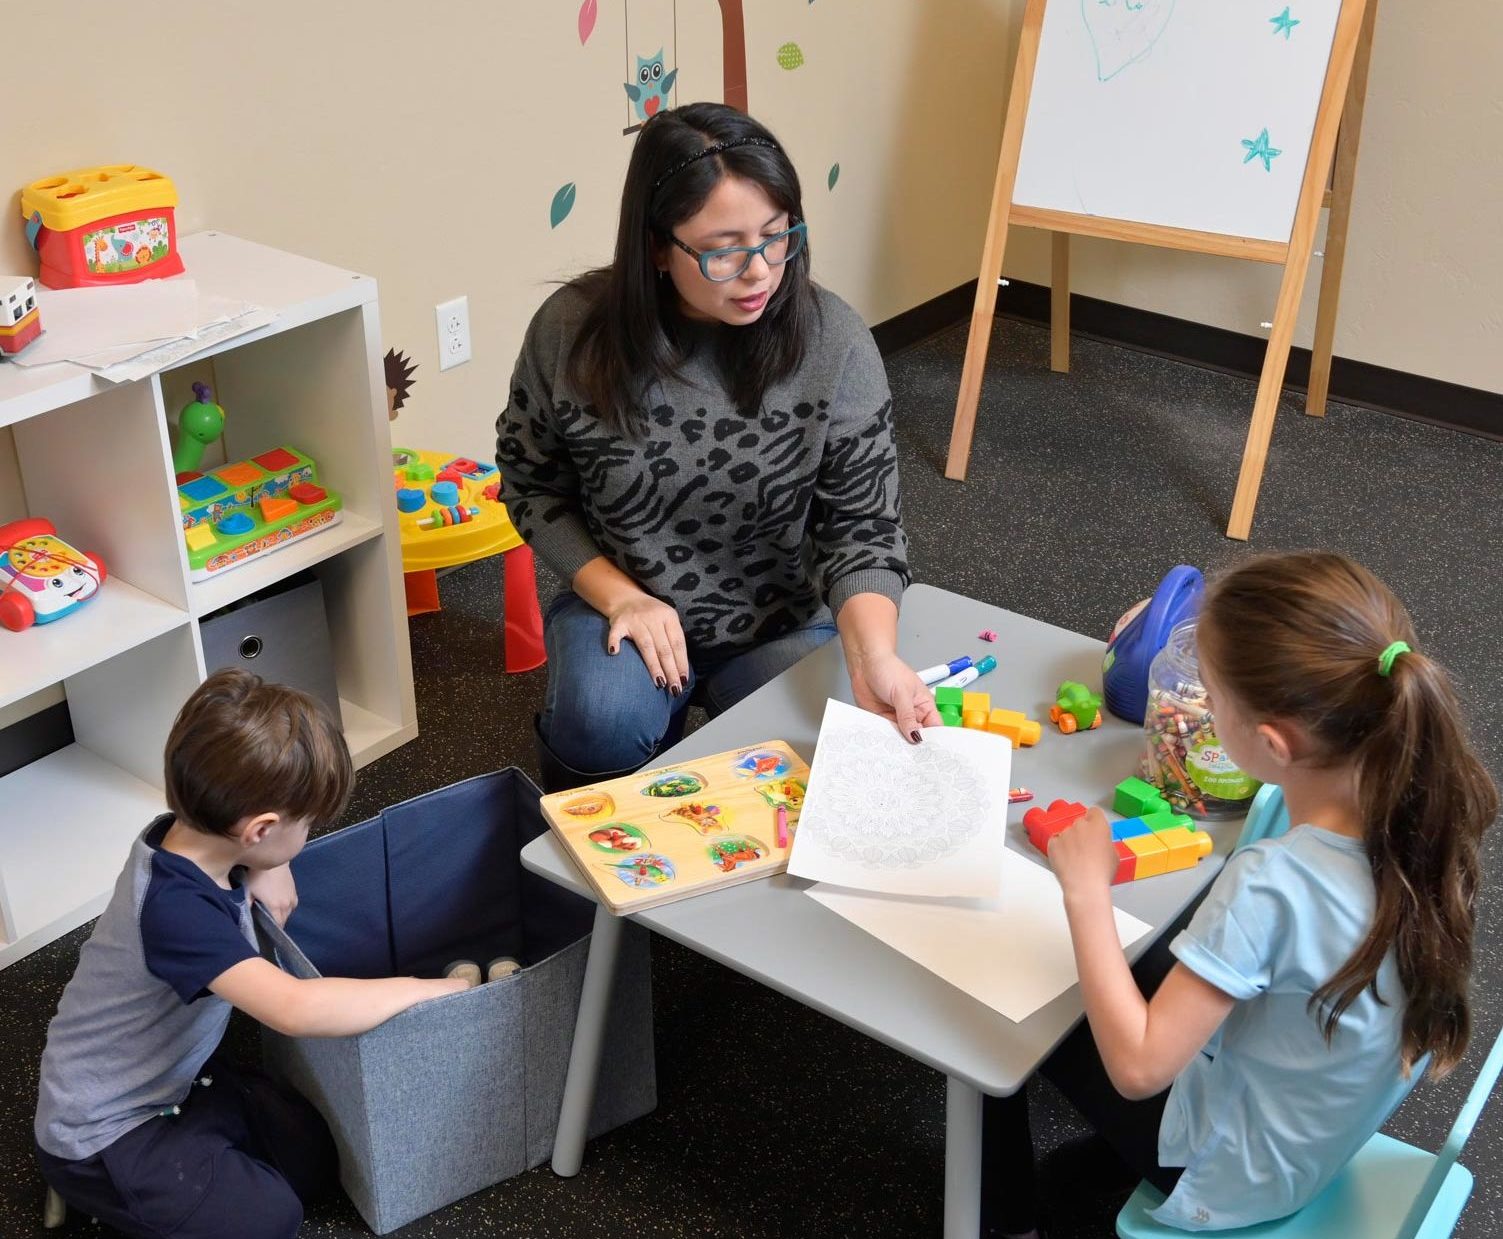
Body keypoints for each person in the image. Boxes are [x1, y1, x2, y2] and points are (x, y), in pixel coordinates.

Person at [985, 552, 1498, 1236]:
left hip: (1235, 1174)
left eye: (1210, 700)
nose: (1194, 711)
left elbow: (1138, 1067)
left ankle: (1001, 1217)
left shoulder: (1273, 883)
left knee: (1005, 1006)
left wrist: (1083, 891)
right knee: (1141, 955)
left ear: (1269, 743)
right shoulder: (1418, 802)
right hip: (1315, 1131)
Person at [496, 102, 937, 789]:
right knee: (598, 724)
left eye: (775, 235)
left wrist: (873, 654)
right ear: (656, 248)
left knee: (818, 766)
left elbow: (862, 528)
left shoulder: (836, 342)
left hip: (781, 618)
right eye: (724, 248)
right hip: (624, 598)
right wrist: (619, 596)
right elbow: (530, 483)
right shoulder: (570, 331)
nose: (760, 270)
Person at [34, 670, 469, 1239]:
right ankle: (92, 1193)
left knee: (311, 1161)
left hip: (176, 1082)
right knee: (271, 1218)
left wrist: (271, 861)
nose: (310, 832)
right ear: (258, 828)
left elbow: (251, 836)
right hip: (106, 1133)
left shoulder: (190, 833)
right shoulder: (176, 913)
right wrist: (427, 989)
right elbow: (295, 1009)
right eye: (307, 823)